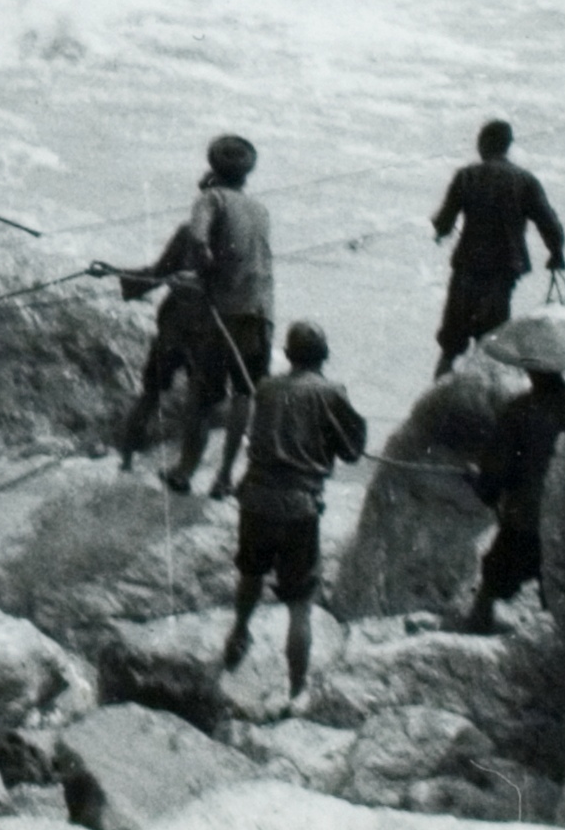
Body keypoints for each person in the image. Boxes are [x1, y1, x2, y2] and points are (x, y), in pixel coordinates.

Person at [222, 320, 370, 697]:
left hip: (255, 498)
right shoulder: (331, 392)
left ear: (287, 356)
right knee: (300, 605)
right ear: (325, 357)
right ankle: (297, 690)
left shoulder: (267, 388)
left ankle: (240, 631)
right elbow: (353, 452)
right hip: (298, 508)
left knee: (251, 575)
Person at [168, 134, 275, 498]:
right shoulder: (260, 209)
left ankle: (184, 471)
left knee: (203, 393)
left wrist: (201, 272)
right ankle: (226, 477)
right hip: (261, 311)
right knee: (245, 392)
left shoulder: (209, 198)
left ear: (213, 168)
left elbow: (198, 241)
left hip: (224, 312)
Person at [431, 120, 565, 378]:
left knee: (451, 345)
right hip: (502, 275)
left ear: (483, 144)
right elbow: (549, 223)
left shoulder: (466, 176)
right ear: (507, 146)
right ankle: (488, 403)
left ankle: (433, 407)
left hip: (467, 271)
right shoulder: (526, 181)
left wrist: (439, 229)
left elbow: (444, 223)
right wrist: (556, 254)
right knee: (492, 346)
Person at [464, 365, 565, 631]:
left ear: (534, 371)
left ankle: (474, 633)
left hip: (525, 518)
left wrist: (479, 481)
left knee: (494, 577)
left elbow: (495, 471)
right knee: (554, 592)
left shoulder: (520, 410)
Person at [108, 213, 214, 470]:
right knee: (200, 404)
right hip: (205, 333)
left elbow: (158, 272)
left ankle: (126, 462)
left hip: (173, 327)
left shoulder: (188, 231)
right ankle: (186, 471)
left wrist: (118, 275)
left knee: (150, 395)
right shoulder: (234, 238)